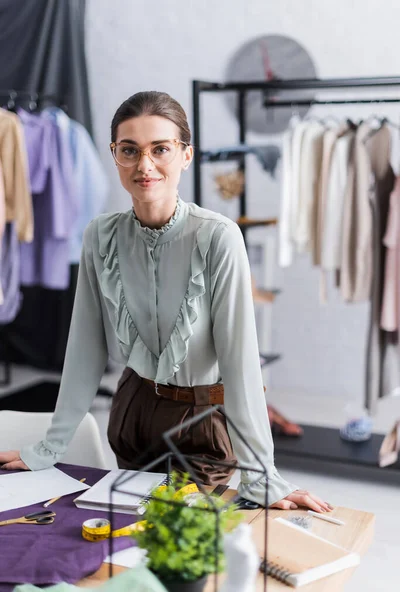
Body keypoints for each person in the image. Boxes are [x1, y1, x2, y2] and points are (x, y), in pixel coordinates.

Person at [0, 91, 332, 513]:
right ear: (114, 154)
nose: (145, 165)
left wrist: (262, 475)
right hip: (131, 414)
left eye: (161, 149)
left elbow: (240, 363)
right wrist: (48, 449)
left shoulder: (218, 237)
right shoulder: (99, 236)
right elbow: (85, 347)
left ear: (186, 155)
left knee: (179, 540)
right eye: (130, 150)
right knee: (122, 535)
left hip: (201, 424)